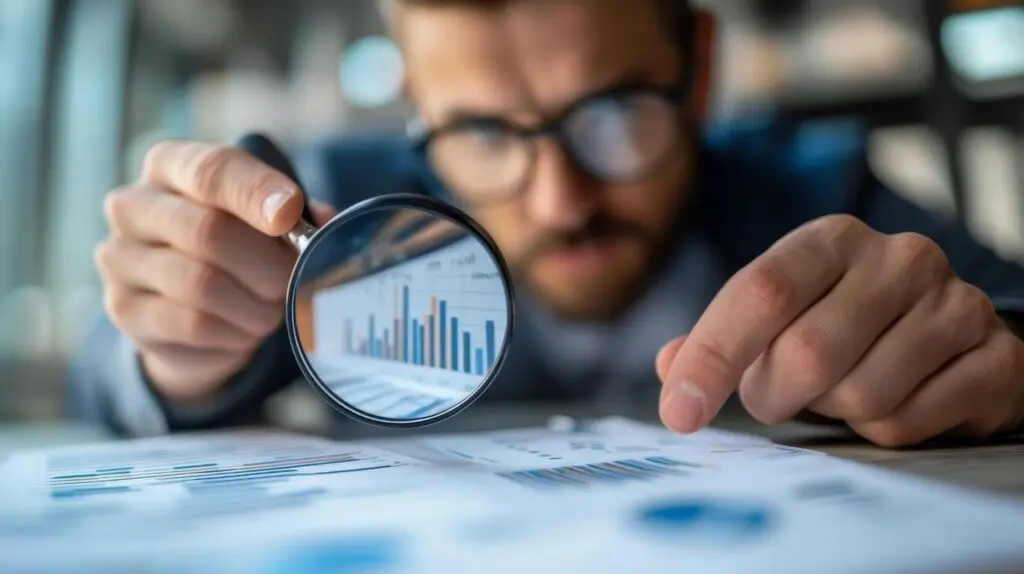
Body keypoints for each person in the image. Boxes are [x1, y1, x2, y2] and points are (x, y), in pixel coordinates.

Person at [71, 0, 1024, 446]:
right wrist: (168, 355)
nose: (560, 200)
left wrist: (1000, 363)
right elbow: (104, 384)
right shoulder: (331, 216)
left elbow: (1001, 317)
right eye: (481, 131)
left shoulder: (823, 191)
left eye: (611, 116)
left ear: (697, 68)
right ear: (417, 106)